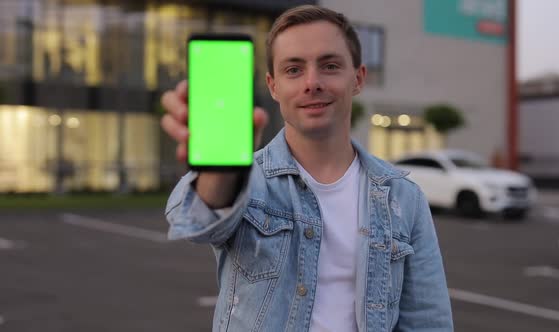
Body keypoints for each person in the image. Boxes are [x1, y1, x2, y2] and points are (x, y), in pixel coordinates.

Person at [160, 5, 453, 331]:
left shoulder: (404, 197)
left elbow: (428, 322)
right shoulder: (250, 182)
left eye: (329, 65)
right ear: (273, 86)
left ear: (358, 78)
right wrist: (222, 172)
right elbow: (198, 220)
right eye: (294, 70)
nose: (312, 82)